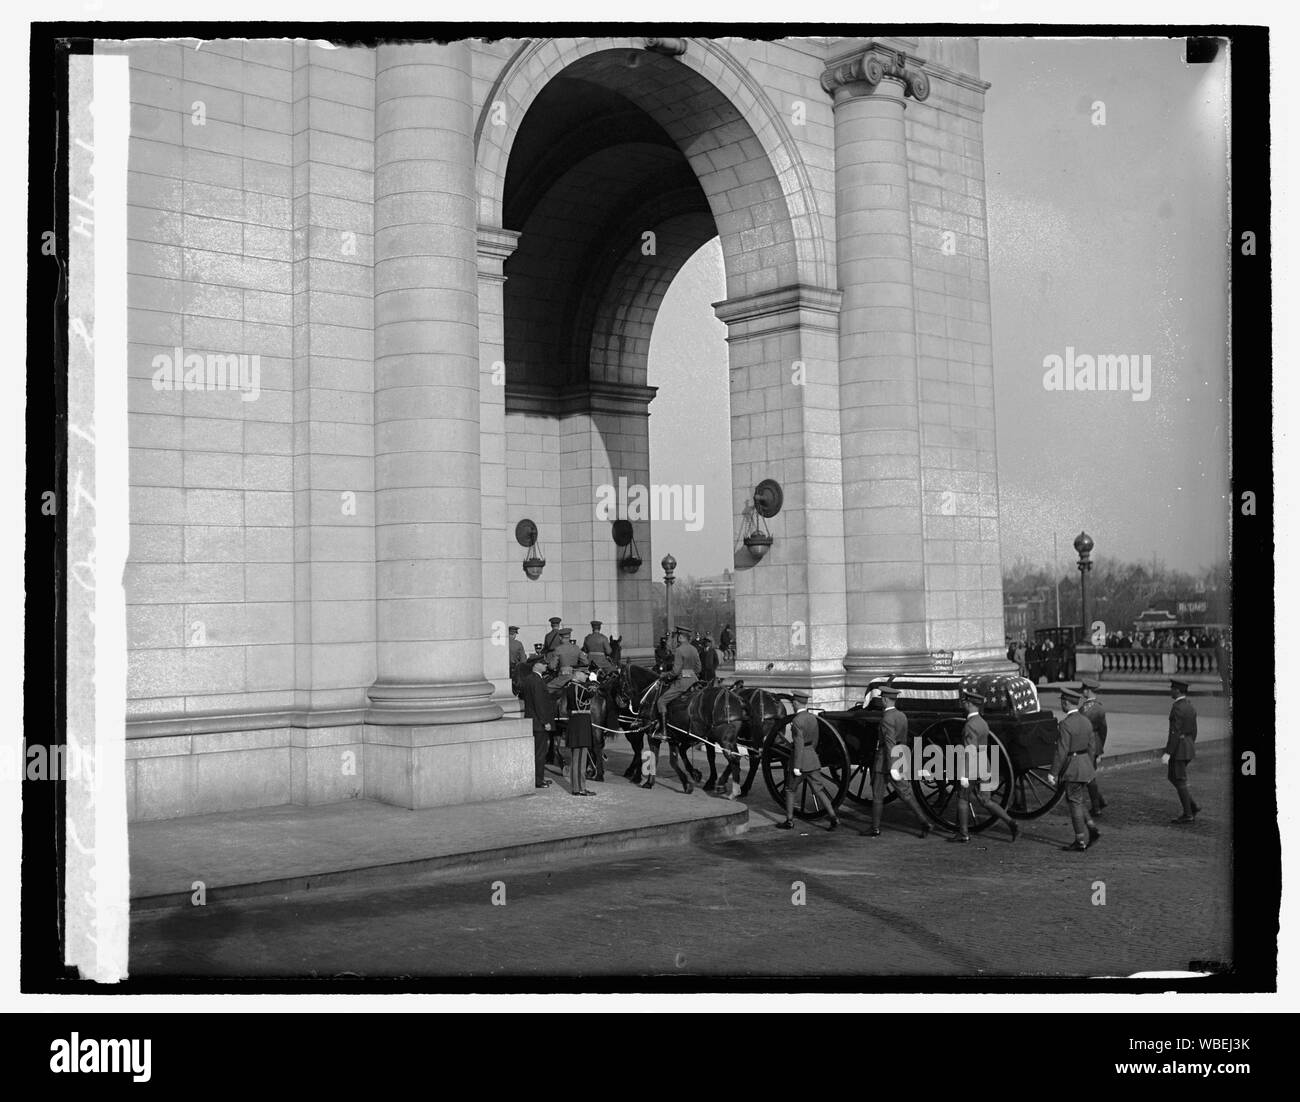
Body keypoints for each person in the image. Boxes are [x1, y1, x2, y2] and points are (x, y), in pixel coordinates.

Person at [866, 683, 932, 838]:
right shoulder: (902, 715)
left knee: (877, 795)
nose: (882, 700)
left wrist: (892, 765)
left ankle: (875, 828)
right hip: (901, 754)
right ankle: (925, 822)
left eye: (882, 698)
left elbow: (889, 743)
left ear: (885, 700)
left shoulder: (887, 718)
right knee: (906, 793)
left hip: (885, 760)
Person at [954, 689, 1018, 843]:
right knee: (986, 800)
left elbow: (970, 750)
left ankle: (963, 834)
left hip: (973, 765)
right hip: (985, 763)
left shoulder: (970, 725)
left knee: (962, 798)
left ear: (969, 704)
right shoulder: (983, 723)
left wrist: (964, 774)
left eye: (965, 702)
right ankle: (1011, 822)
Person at [775, 691, 839, 831]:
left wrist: (797, 766)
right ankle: (833, 817)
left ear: (796, 703)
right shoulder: (812, 718)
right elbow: (815, 740)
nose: (792, 705)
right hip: (812, 758)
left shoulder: (797, 720)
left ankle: (790, 820)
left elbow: (798, 745)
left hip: (800, 761)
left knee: (789, 789)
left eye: (793, 703)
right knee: (819, 790)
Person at [1048, 686, 1101, 851]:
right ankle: (1091, 827)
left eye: (1062, 702)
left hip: (1073, 767)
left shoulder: (1065, 724)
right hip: (1085, 765)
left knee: (1074, 804)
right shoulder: (1086, 721)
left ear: (1065, 703)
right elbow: (1092, 746)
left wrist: (1053, 772)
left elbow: (1062, 751)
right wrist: (1090, 765)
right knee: (1077, 799)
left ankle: (1080, 841)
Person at [1164, 678, 1200, 823]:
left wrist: (1168, 752)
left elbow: (1174, 732)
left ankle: (1188, 813)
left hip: (1179, 748)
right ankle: (1192, 806)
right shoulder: (1189, 705)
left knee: (1179, 779)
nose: (1170, 690)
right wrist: (1189, 744)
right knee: (1174, 776)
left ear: (1177, 690)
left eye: (1172, 688)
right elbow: (1194, 730)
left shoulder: (1178, 707)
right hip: (1188, 745)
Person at [518, 658, 557, 789]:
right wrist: (545, 721)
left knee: (536, 752)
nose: (546, 665)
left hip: (532, 720)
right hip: (539, 723)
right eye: (543, 663)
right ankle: (538, 780)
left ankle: (537, 778)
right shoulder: (537, 681)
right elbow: (539, 703)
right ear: (536, 665)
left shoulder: (529, 679)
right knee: (540, 753)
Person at [657, 625, 701, 735]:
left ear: (681, 637)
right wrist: (689, 673)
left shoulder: (679, 650)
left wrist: (664, 675)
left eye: (677, 636)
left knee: (661, 701)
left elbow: (675, 672)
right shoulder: (694, 649)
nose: (676, 638)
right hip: (695, 681)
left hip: (682, 683)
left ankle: (663, 731)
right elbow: (698, 668)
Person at [564, 672, 597, 797]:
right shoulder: (577, 687)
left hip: (576, 724)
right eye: (584, 674)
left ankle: (577, 787)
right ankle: (579, 788)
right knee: (579, 759)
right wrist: (594, 682)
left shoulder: (570, 687)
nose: (586, 677)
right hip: (580, 726)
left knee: (578, 758)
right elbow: (591, 693)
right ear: (577, 675)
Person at [1079, 677, 1108, 816]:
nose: (1082, 691)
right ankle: (1100, 801)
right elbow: (1103, 732)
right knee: (1090, 776)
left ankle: (1096, 807)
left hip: (1089, 745)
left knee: (1088, 777)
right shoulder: (1095, 706)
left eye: (1083, 689)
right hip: (1095, 744)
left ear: (1088, 690)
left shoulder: (1089, 709)